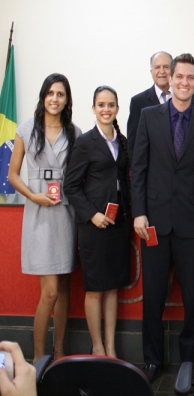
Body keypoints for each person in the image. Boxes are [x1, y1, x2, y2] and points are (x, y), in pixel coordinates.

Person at [131, 53, 194, 384]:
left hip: (192, 223)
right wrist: (139, 212)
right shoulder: (148, 116)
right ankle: (152, 360)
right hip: (153, 222)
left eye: (189, 77)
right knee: (153, 296)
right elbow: (138, 168)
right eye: (178, 76)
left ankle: (190, 362)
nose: (183, 82)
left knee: (193, 298)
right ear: (170, 78)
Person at [8, 73, 81, 363]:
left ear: (67, 100)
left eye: (60, 94)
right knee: (49, 292)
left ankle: (59, 350)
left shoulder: (74, 132)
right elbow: (13, 174)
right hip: (38, 214)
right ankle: (38, 358)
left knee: (63, 288)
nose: (55, 99)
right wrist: (33, 196)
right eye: (50, 93)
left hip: (65, 212)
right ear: (43, 96)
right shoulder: (26, 129)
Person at [64, 86, 131, 358]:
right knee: (95, 289)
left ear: (117, 109)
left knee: (113, 287)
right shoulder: (85, 142)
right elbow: (71, 186)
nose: (106, 109)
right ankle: (97, 347)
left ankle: (111, 347)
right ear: (93, 108)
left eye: (111, 105)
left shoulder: (122, 141)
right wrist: (92, 214)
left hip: (119, 224)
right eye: (101, 105)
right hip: (94, 226)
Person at [127, 51, 172, 156]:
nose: (162, 71)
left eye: (166, 67)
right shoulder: (138, 102)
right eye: (157, 67)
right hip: (151, 164)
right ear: (151, 72)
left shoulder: (183, 98)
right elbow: (133, 144)